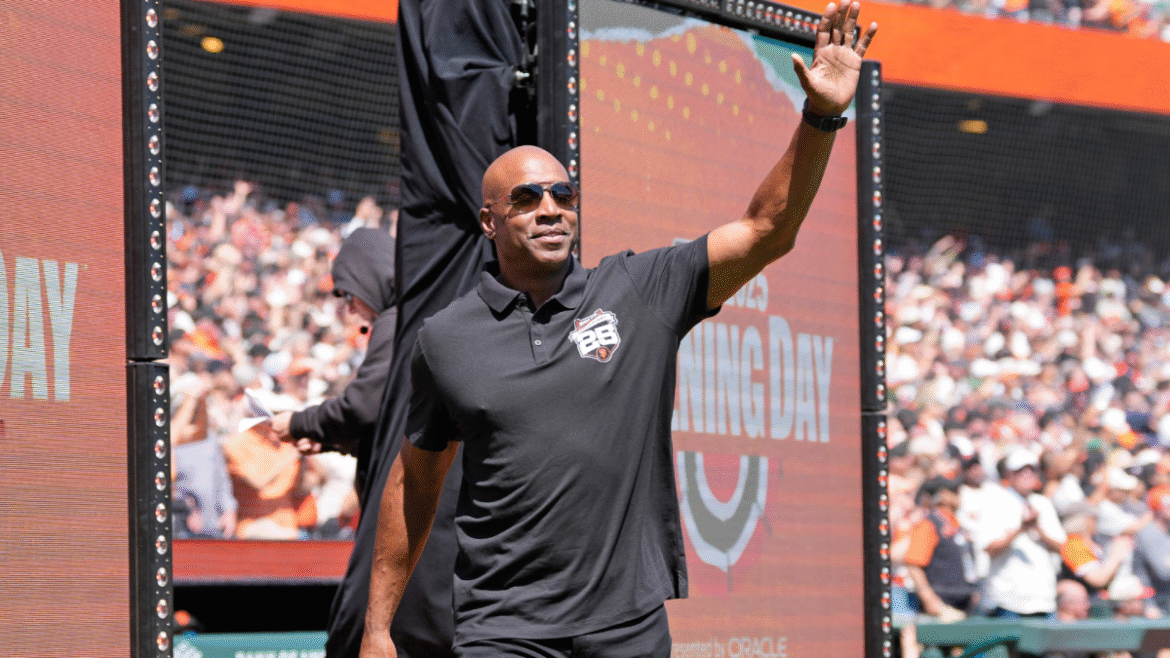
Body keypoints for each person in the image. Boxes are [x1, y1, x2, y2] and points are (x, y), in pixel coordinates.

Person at [360, 3, 878, 656]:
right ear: (489, 222)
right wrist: (377, 626)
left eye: (563, 195)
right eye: (526, 198)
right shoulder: (446, 339)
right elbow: (415, 482)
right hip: (503, 629)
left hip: (625, 627)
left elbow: (766, 229)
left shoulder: (638, 291)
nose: (550, 209)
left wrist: (822, 117)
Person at [269, 226, 397, 489]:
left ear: (370, 279)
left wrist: (299, 423)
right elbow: (390, 427)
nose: (349, 309)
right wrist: (333, 441)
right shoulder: (400, 319)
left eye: (349, 295)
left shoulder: (394, 323)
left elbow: (362, 407)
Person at [974, 448, 1067, 618]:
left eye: (1032, 469)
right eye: (1020, 470)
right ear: (1009, 474)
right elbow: (989, 548)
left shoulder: (1043, 503)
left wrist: (1037, 529)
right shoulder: (994, 502)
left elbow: (1062, 547)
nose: (1027, 474)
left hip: (1043, 600)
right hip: (1007, 601)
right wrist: (1021, 529)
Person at [902, 476, 979, 621]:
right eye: (953, 491)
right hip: (942, 605)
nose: (959, 495)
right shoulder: (929, 524)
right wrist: (930, 599)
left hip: (964, 604)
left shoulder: (957, 524)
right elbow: (913, 564)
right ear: (942, 495)